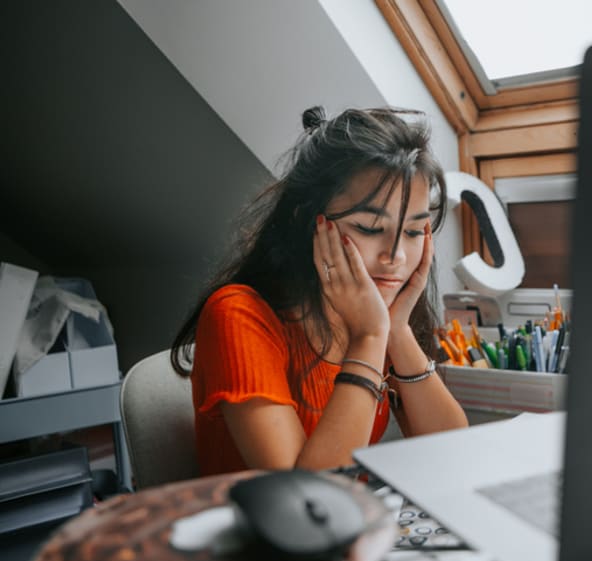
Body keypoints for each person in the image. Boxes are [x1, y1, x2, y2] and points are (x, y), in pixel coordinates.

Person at [171, 106, 468, 476]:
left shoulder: (375, 314)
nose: (394, 256)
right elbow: (304, 496)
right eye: (370, 229)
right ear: (308, 222)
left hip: (348, 524)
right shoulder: (238, 314)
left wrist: (397, 331)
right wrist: (371, 335)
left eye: (412, 233)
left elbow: (453, 455)